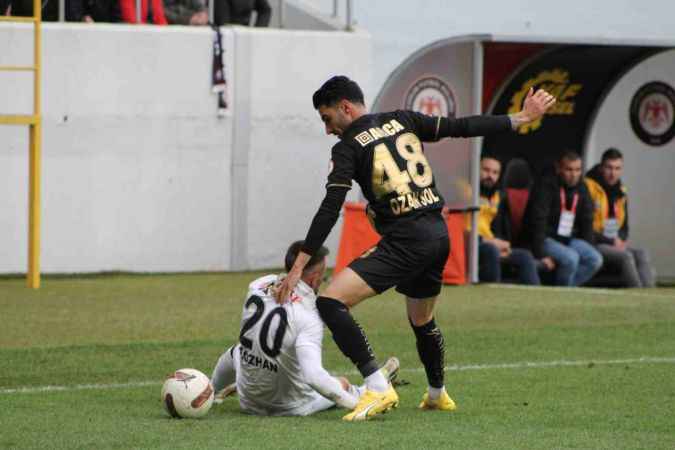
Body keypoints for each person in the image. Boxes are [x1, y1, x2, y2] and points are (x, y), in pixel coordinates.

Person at [274, 75, 556, 421]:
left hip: (406, 241)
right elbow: (461, 126)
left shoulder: (347, 146)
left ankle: (377, 387)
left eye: (327, 118)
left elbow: (331, 206)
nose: (328, 129)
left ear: (345, 107)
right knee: (422, 320)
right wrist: (520, 118)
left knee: (331, 302)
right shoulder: (402, 119)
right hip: (439, 234)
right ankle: (437, 394)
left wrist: (299, 266)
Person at [210, 240, 400, 417]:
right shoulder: (310, 315)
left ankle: (211, 391)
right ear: (315, 277)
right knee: (340, 383)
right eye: (323, 277)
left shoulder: (257, 285)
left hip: (248, 401)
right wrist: (355, 405)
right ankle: (371, 389)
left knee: (238, 350)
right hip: (290, 406)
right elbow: (313, 377)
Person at [528, 151, 603, 286]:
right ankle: (563, 292)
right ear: (559, 168)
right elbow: (537, 222)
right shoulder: (545, 186)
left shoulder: (582, 187)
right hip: (546, 238)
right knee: (571, 258)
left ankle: (565, 289)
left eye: (577, 170)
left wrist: (588, 246)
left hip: (568, 238)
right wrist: (540, 253)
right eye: (569, 169)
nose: (573, 175)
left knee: (595, 259)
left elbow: (587, 220)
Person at [585, 148, 656, 287]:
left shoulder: (621, 191)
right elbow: (585, 228)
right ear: (601, 168)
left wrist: (621, 240)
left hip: (613, 241)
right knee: (626, 257)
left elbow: (624, 227)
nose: (613, 173)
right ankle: (639, 295)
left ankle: (650, 291)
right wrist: (611, 241)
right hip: (594, 242)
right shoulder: (588, 187)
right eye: (609, 168)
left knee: (642, 253)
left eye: (617, 168)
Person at [475, 155, 541, 285]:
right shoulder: (464, 192)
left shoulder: (498, 197)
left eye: (495, 172)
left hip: (490, 243)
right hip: (470, 242)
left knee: (525, 256)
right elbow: (458, 229)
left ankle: (536, 300)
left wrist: (501, 244)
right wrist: (489, 241)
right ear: (476, 169)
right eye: (486, 170)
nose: (490, 176)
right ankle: (491, 294)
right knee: (491, 250)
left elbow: (498, 229)